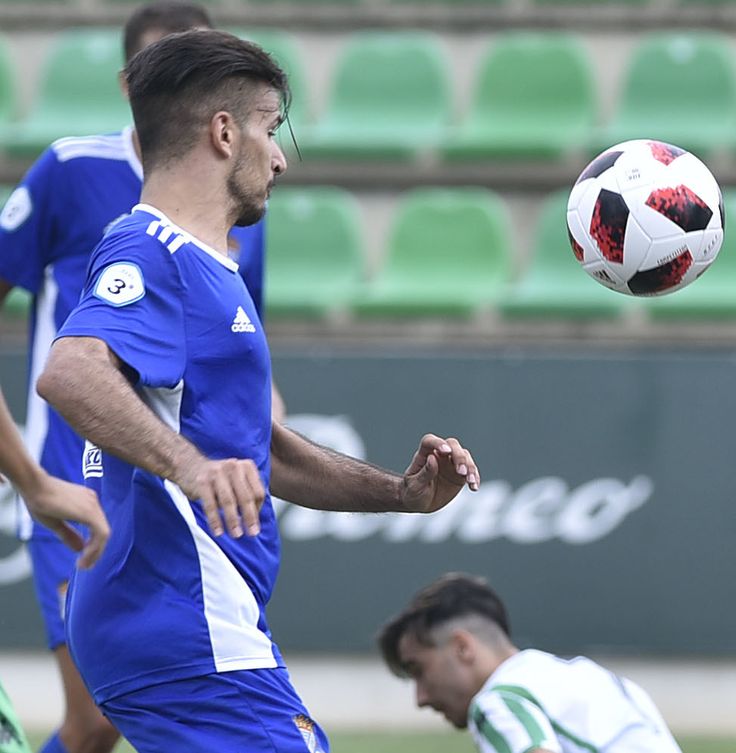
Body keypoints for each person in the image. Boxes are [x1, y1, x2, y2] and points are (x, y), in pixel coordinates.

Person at [35, 30, 481, 752]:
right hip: (180, 613)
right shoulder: (151, 246)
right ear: (222, 132)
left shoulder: (211, 267)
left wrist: (400, 493)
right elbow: (71, 369)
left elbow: (263, 448)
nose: (279, 156)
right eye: (272, 131)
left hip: (184, 615)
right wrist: (190, 466)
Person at [0, 4, 273, 751]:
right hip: (77, 481)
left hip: (180, 506)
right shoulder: (71, 169)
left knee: (143, 712)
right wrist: (27, 473)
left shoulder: (240, 192)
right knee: (96, 720)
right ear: (131, 82)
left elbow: (240, 347)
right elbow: (72, 369)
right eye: (166, 62)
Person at [378, 573, 682, 753]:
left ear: (462, 647)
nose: (421, 698)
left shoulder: (499, 701)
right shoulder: (594, 678)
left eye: (419, 670)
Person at [0, 385, 110, 753]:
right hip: (62, 493)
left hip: (129, 501)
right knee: (96, 716)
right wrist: (33, 482)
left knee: (114, 709)